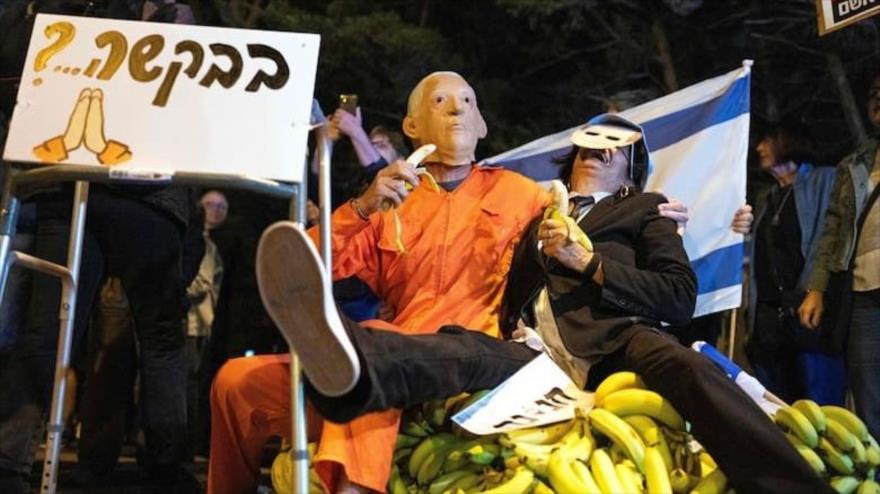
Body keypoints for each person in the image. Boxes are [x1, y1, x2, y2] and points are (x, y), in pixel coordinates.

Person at [255, 114, 832, 494]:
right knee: (457, 348)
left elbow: (679, 296)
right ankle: (346, 354)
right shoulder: (534, 209)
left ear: (632, 171)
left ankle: (791, 487)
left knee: (684, 366)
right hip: (531, 353)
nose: (596, 154)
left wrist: (592, 263)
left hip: (615, 341)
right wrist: (363, 205)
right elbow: (460, 201)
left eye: (614, 151)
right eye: (587, 147)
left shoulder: (644, 211)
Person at [800, 70, 880, 441]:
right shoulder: (854, 164)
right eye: (875, 92)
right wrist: (816, 289)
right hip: (862, 294)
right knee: (867, 393)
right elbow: (831, 232)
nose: (879, 98)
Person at [744, 123, 845, 405]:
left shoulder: (825, 179)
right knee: (776, 407)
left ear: (789, 141)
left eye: (768, 141)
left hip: (808, 313)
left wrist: (815, 290)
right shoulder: (766, 197)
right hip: (769, 319)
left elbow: (830, 237)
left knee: (818, 406)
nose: (759, 148)